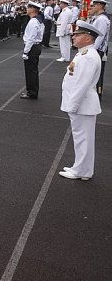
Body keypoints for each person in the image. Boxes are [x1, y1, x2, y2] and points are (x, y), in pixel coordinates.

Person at [58, 21, 102, 181]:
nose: (73, 37)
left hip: (82, 105)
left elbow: (82, 84)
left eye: (78, 34)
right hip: (83, 105)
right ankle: (82, 168)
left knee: (82, 139)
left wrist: (72, 105)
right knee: (82, 139)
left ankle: (82, 171)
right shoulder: (85, 53)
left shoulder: (88, 57)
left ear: (88, 38)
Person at [21, 1, 45, 99]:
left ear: (32, 10)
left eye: (28, 8)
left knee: (31, 71)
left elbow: (31, 38)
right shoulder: (38, 20)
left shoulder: (34, 22)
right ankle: (32, 90)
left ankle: (32, 92)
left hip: (32, 47)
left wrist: (26, 51)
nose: (26, 9)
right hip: (36, 46)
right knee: (32, 70)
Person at [89, 0, 110, 96]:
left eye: (93, 5)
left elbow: (100, 36)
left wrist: (92, 49)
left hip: (99, 50)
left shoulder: (102, 19)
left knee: (98, 74)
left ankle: (98, 93)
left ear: (100, 6)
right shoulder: (99, 18)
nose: (91, 7)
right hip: (97, 49)